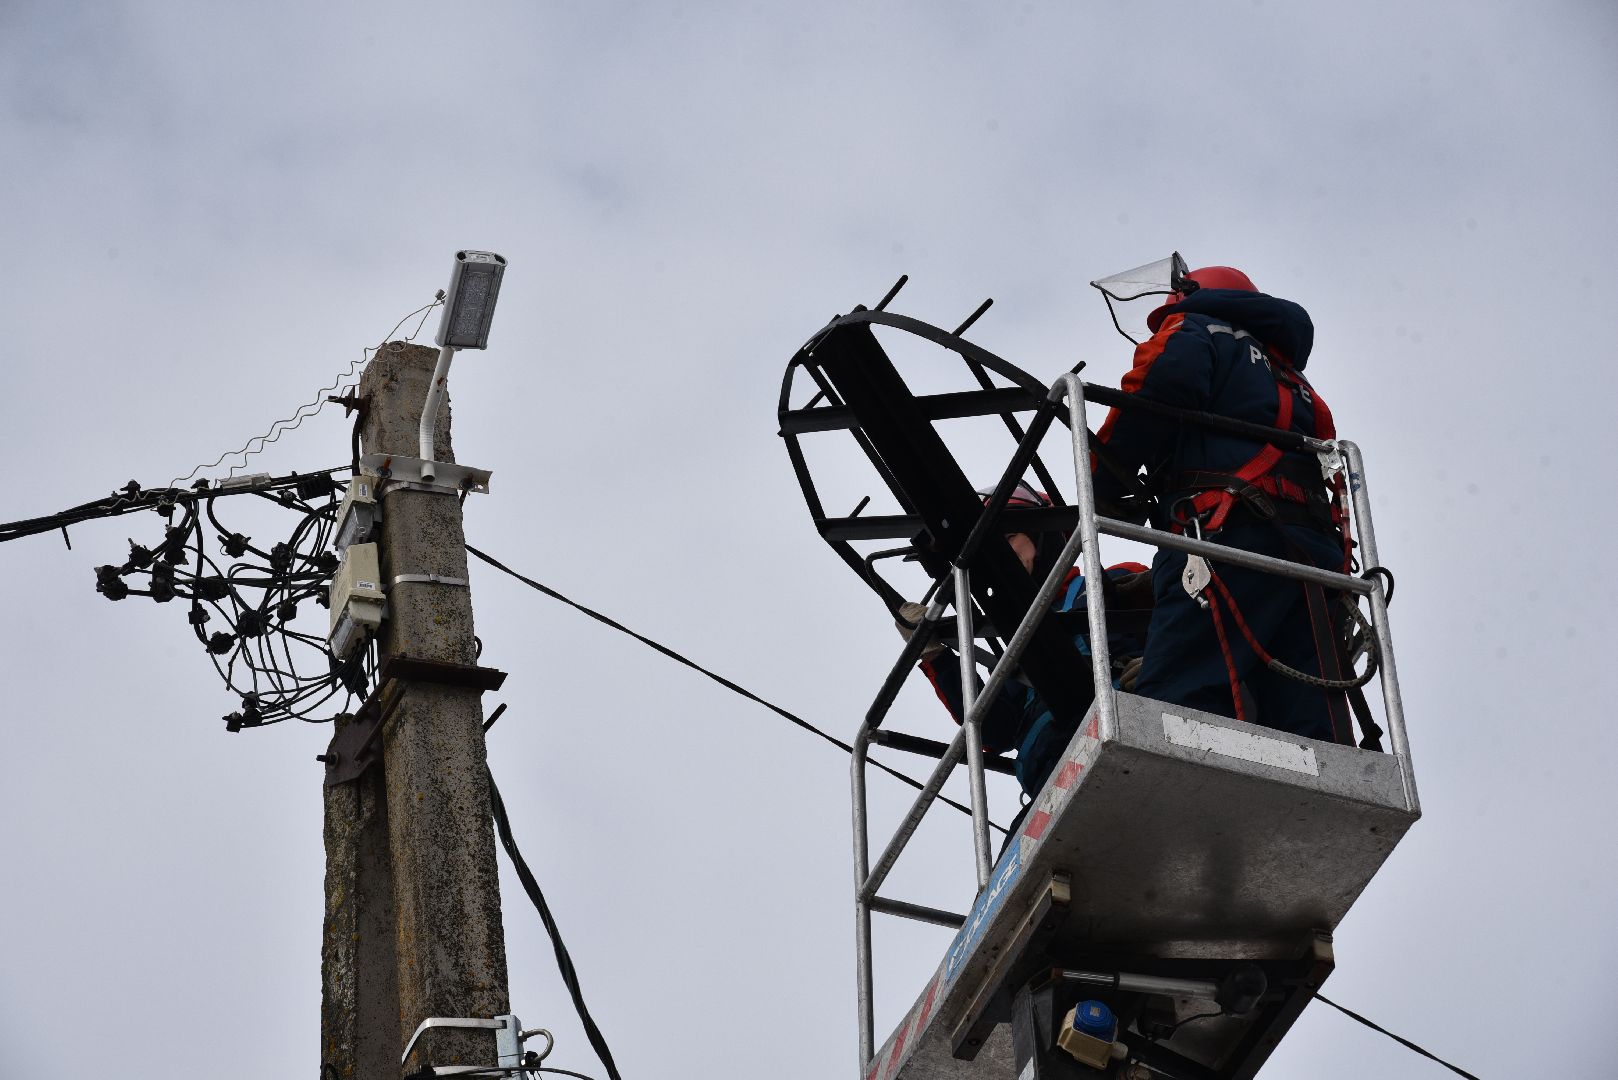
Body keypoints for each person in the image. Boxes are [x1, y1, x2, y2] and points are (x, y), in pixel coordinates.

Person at [1090, 265, 1352, 744]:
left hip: (1223, 538)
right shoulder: (1294, 380)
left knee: (1180, 694)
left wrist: (1102, 477)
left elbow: (1158, 388)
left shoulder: (1195, 328)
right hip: (1314, 559)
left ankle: (1180, 803)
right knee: (1309, 713)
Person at [899, 484, 1151, 798]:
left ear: (1040, 536)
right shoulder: (1019, 651)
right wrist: (936, 657)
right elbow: (994, 730)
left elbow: (1186, 628)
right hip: (1055, 780)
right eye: (990, 551)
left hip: (1134, 733)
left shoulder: (1114, 583)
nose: (1001, 556)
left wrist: (1157, 670)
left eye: (1008, 538)